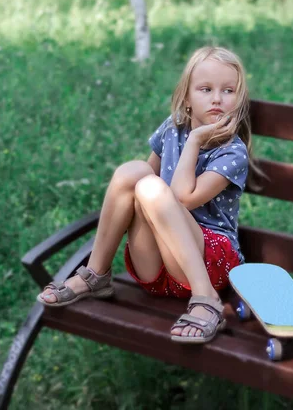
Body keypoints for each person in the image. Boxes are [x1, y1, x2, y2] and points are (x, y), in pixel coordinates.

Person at [37, 46, 261, 344]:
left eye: (228, 91)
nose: (217, 98)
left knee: (150, 187)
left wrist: (195, 140)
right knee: (134, 173)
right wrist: (184, 139)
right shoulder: (172, 128)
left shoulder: (232, 152)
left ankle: (207, 300)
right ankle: (96, 273)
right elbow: (141, 180)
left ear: (238, 101)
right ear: (187, 100)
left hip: (209, 266)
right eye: (206, 89)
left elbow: (183, 198)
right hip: (157, 267)